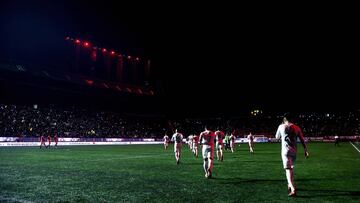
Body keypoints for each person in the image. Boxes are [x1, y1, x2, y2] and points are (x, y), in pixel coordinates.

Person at [275, 113, 309, 197]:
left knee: (288, 169)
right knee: (290, 169)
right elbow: (302, 140)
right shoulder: (297, 128)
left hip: (285, 152)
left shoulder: (281, 126)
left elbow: (276, 137)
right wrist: (306, 150)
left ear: (284, 119)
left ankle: (293, 189)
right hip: (294, 152)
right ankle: (289, 184)